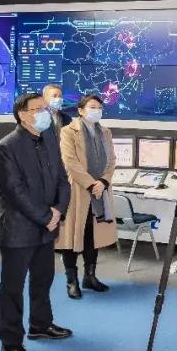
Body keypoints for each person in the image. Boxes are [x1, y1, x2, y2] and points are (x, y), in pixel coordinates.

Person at [0, 93, 73, 351]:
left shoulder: (49, 137)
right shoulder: (6, 147)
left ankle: (41, 324)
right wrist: (46, 216)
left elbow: (62, 178)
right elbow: (14, 191)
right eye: (38, 109)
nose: (44, 113)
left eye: (45, 109)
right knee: (12, 288)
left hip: (47, 227)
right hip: (19, 229)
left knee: (43, 279)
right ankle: (11, 342)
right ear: (22, 115)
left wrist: (58, 211)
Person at [57, 94, 116, 300]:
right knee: (72, 236)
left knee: (93, 235)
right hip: (77, 191)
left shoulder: (105, 132)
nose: (96, 111)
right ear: (80, 111)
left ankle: (90, 277)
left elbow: (112, 161)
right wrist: (91, 184)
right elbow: (70, 162)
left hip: (100, 191)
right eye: (92, 107)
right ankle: (71, 281)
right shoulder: (68, 132)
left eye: (99, 107)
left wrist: (103, 182)